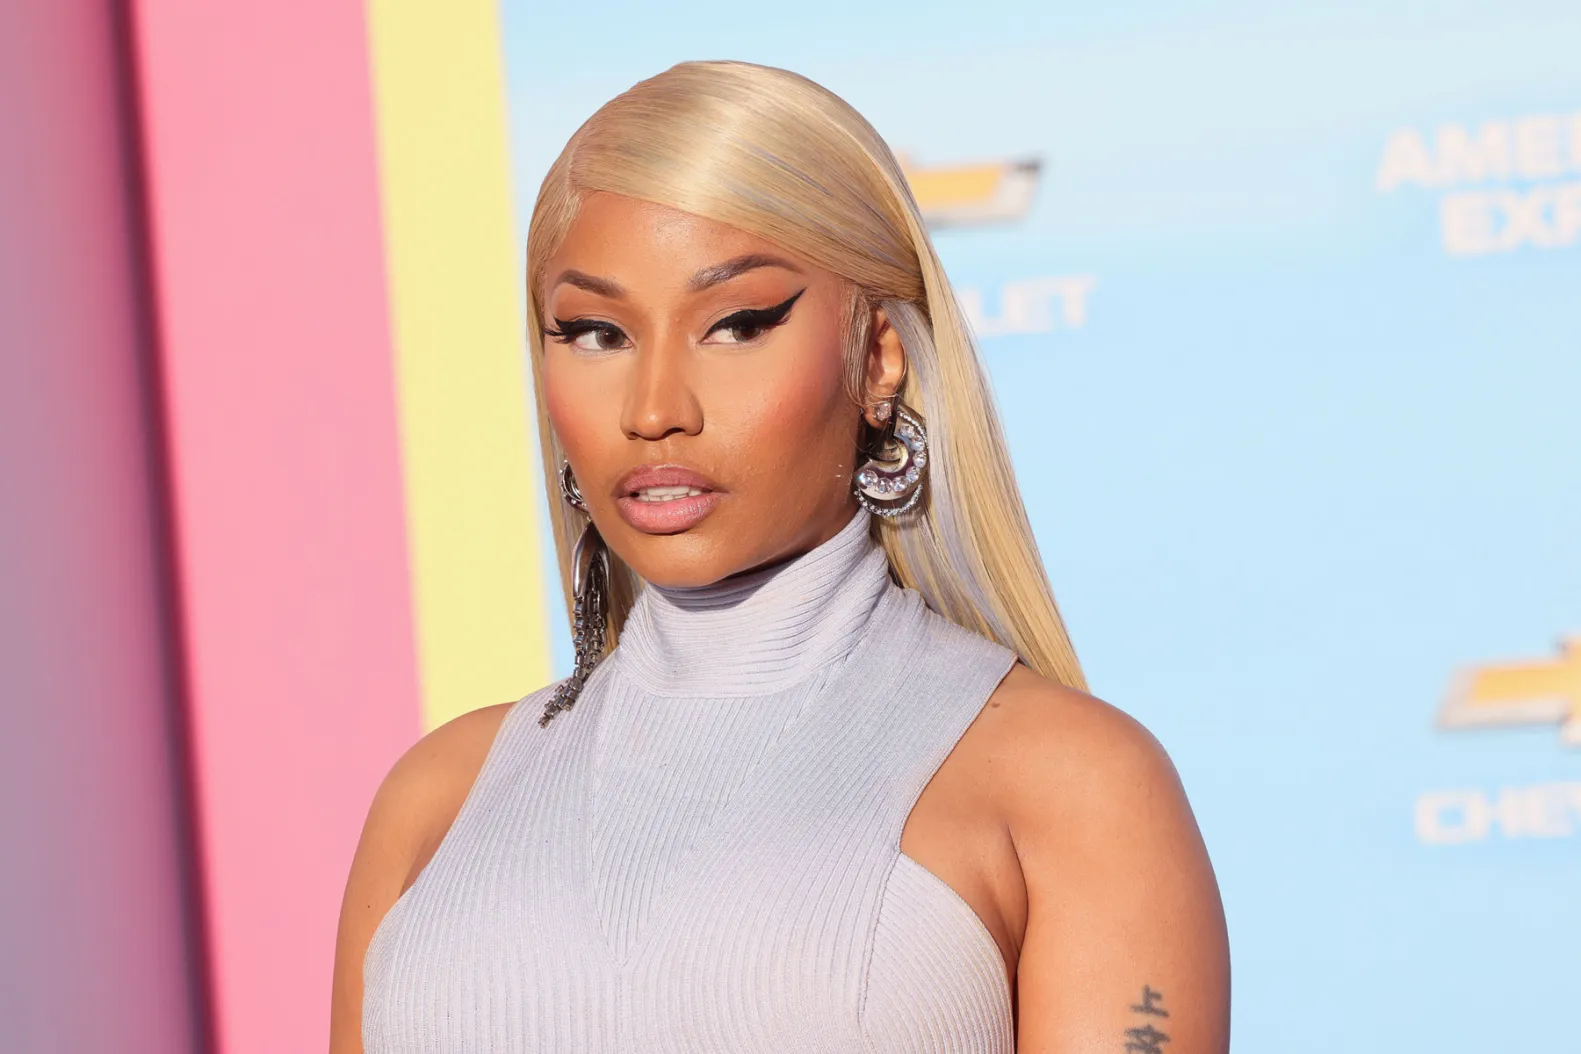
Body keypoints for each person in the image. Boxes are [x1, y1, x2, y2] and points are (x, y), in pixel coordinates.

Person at [330, 59, 1229, 1053]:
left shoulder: (1069, 785)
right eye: (594, 332)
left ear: (878, 354)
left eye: (739, 324)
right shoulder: (435, 804)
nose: (656, 408)